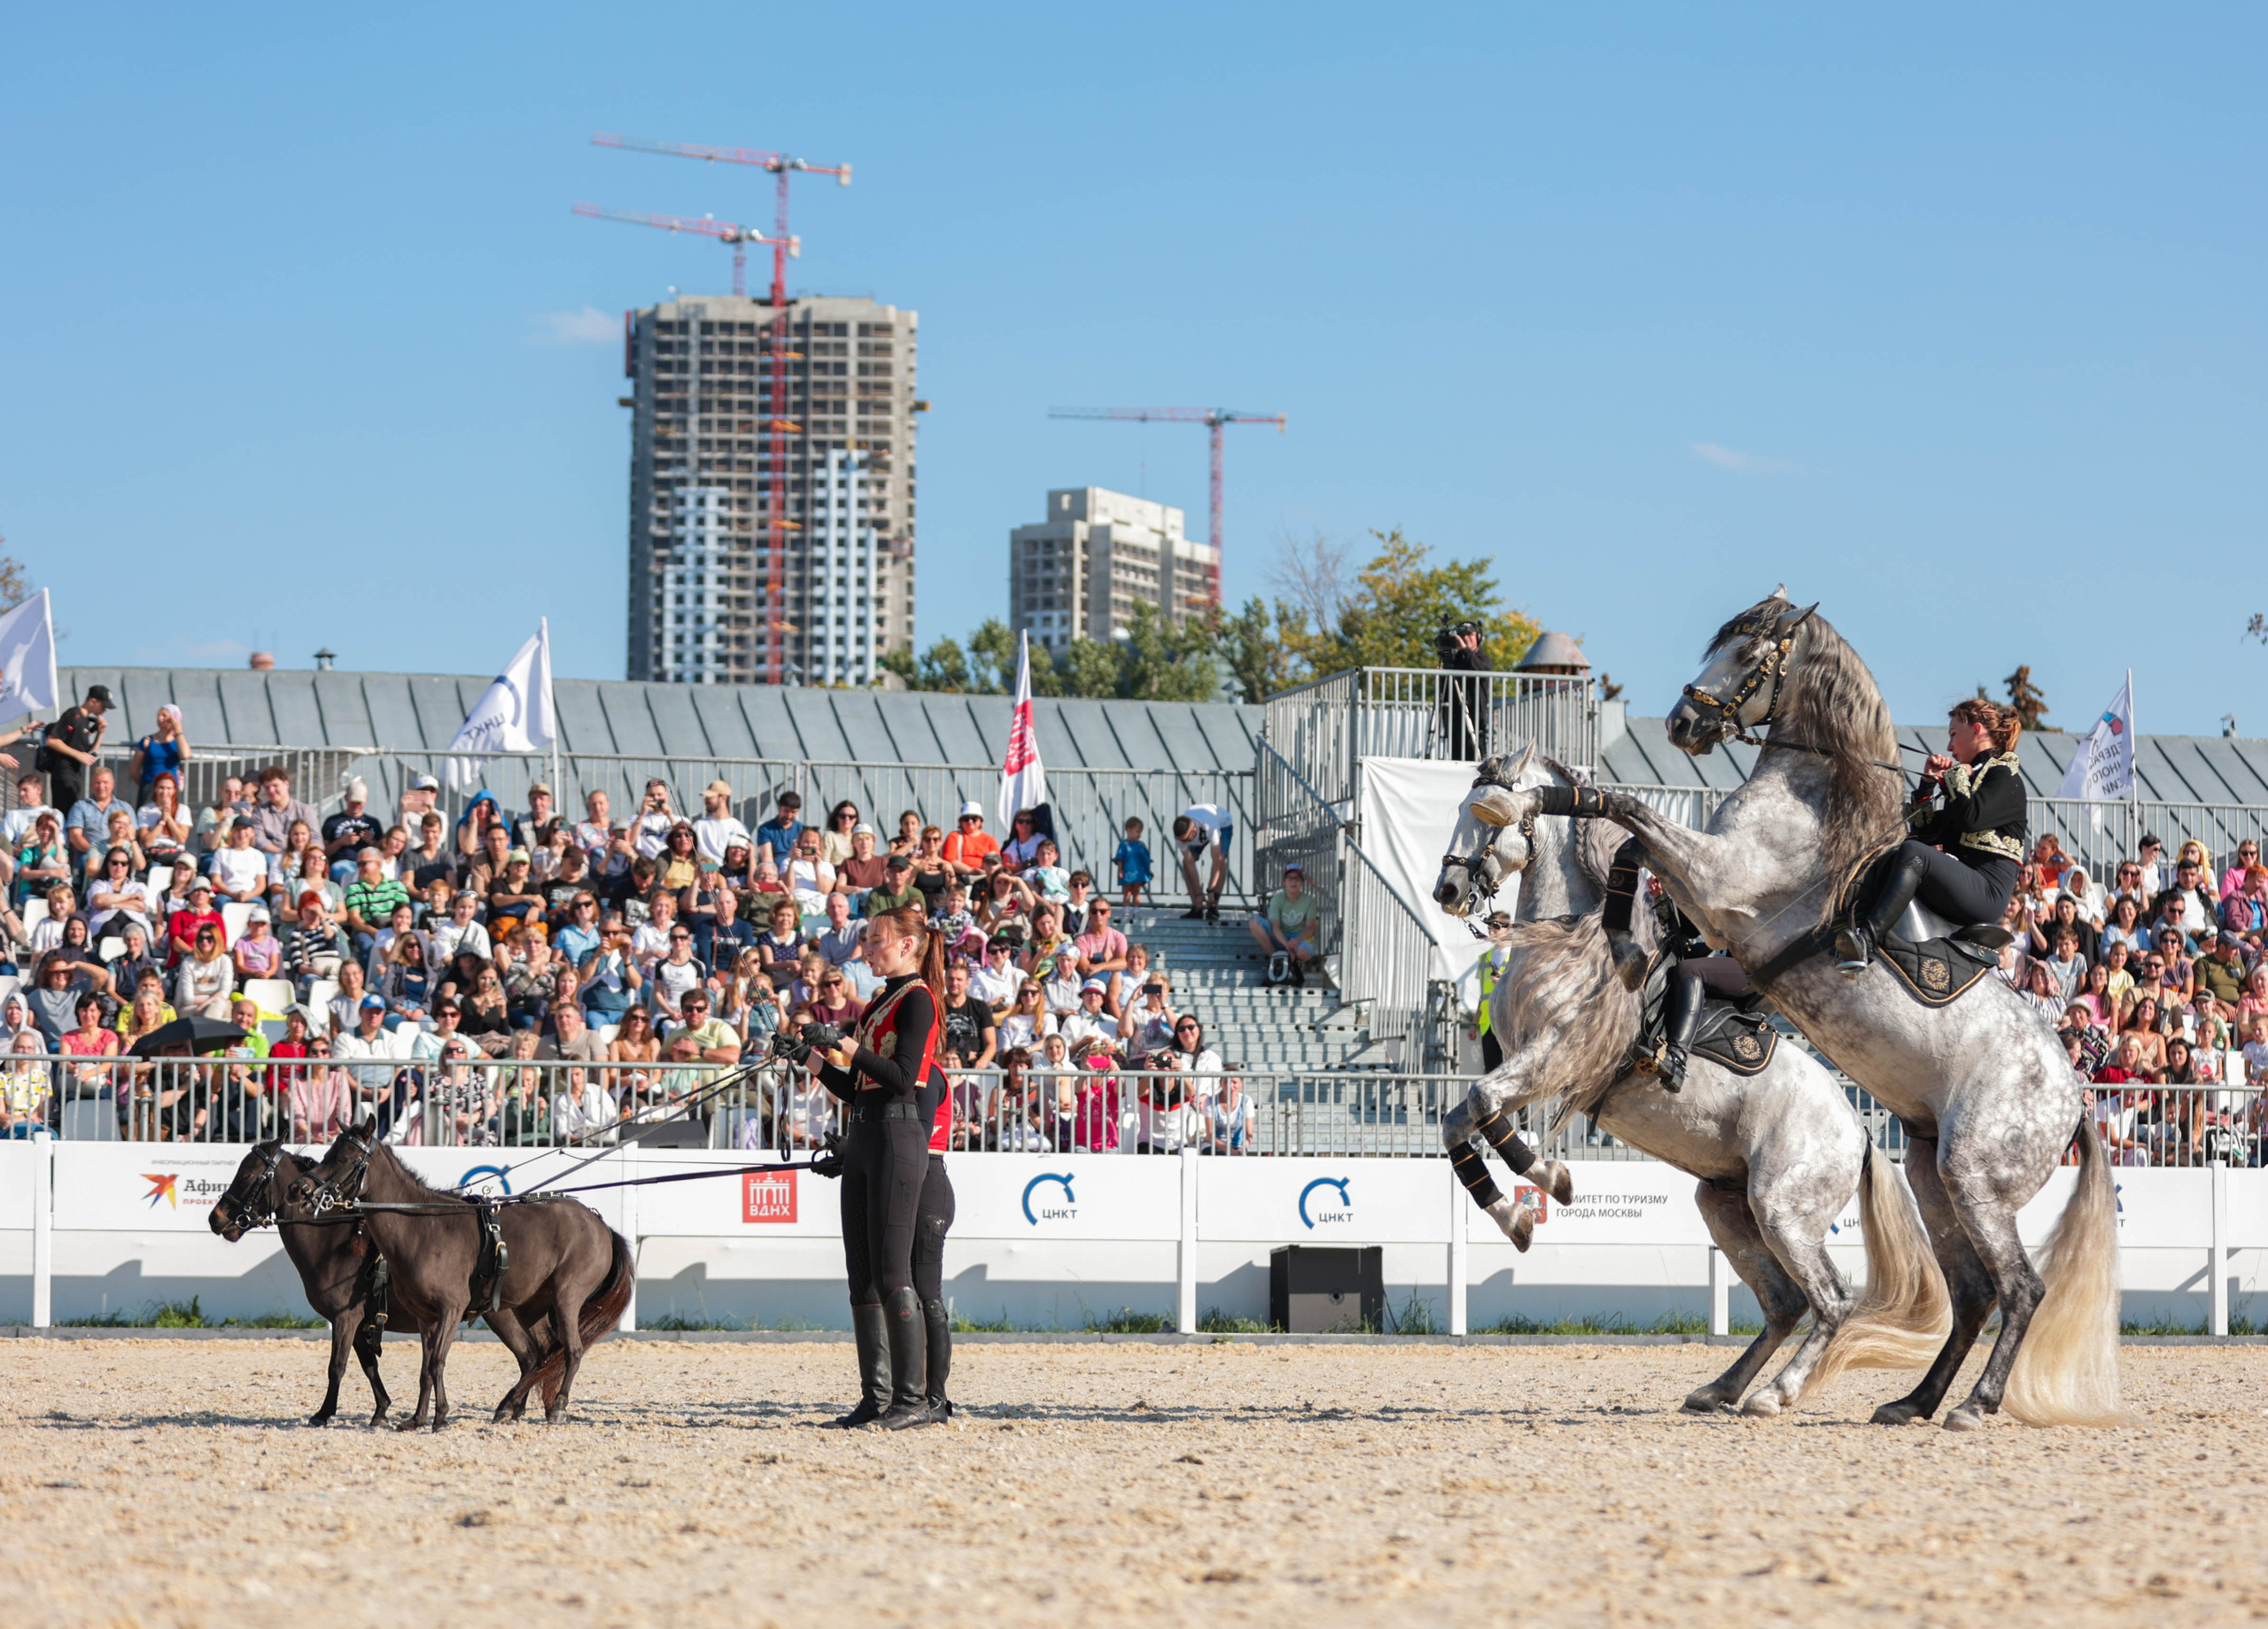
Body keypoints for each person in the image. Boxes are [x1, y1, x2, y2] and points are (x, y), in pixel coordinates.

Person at [796, 905, 951, 1430]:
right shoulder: (877, 1005)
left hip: (897, 1133)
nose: (867, 948)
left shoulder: (919, 1001)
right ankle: (876, 1397)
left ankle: (912, 1400)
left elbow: (904, 1077)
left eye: (876, 940)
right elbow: (856, 1085)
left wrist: (842, 1044)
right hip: (866, 1131)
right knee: (860, 1276)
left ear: (907, 945)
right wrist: (812, 1060)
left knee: (891, 1271)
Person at [1836, 697, 2026, 974]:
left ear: (1976, 730)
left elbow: (1969, 819)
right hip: (1965, 885)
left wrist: (1956, 778)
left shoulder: (2005, 777)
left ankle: (1866, 941)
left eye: (1953, 734)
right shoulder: (1968, 781)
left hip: (1987, 894)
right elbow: (1926, 833)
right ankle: (1851, 926)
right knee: (1895, 854)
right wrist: (1926, 786)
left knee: (1913, 856)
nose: (1949, 747)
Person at [36, 683, 113, 814]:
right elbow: (52, 740)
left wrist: (100, 733)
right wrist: (78, 755)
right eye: (103, 706)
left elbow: (91, 753)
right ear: (93, 701)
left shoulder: (86, 721)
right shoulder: (73, 714)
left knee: (72, 813)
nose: (104, 710)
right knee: (65, 814)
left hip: (75, 774)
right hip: (63, 773)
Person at [1248, 864, 1321, 987]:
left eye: (1297, 879)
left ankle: (1290, 964)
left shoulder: (1310, 900)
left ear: (1302, 882)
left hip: (1300, 937)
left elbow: (1310, 927)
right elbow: (1275, 926)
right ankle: (1278, 959)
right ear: (1284, 882)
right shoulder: (1277, 899)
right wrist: (1287, 946)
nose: (1293, 882)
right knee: (1254, 922)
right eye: (1290, 878)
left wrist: (1297, 941)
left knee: (1302, 953)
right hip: (1281, 936)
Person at [1169, 804, 1232, 922]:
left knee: (1221, 860)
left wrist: (1210, 891)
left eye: (1187, 840)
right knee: (1186, 862)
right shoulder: (1180, 836)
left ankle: (1213, 906)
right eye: (1182, 840)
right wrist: (1199, 894)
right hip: (1201, 828)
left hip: (1223, 825)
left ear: (1194, 832)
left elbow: (1217, 860)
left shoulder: (1211, 827)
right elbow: (1189, 862)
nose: (1185, 842)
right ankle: (1197, 906)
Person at [941, 801, 999, 880]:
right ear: (961, 821)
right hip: (961, 878)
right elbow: (949, 860)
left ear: (980, 821)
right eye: (966, 819)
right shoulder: (954, 836)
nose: (970, 821)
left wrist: (983, 871)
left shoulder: (990, 839)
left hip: (986, 878)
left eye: (974, 819)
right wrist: (971, 871)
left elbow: (996, 862)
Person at [1113, 816, 1153, 907]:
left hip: (1139, 872)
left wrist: (1148, 871)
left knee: (1137, 892)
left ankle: (1136, 910)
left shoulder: (1141, 845)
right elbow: (1120, 858)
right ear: (1129, 830)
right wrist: (1120, 870)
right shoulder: (1124, 844)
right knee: (1127, 892)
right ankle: (1126, 910)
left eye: (1140, 832)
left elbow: (1145, 859)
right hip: (1128, 872)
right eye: (1137, 831)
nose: (1139, 834)